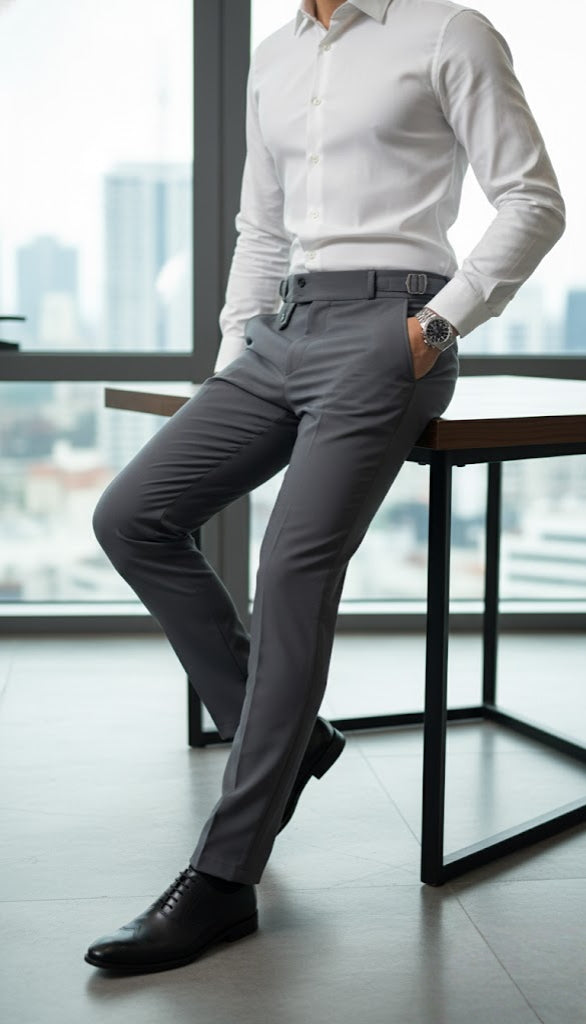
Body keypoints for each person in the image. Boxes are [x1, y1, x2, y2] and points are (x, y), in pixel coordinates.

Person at [85, 0, 565, 973]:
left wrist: (439, 323)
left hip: (393, 325)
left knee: (291, 566)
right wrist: (233, 356)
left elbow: (532, 199)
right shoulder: (274, 55)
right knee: (131, 515)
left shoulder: (447, 31)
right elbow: (260, 225)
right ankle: (286, 738)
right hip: (279, 334)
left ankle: (224, 878)